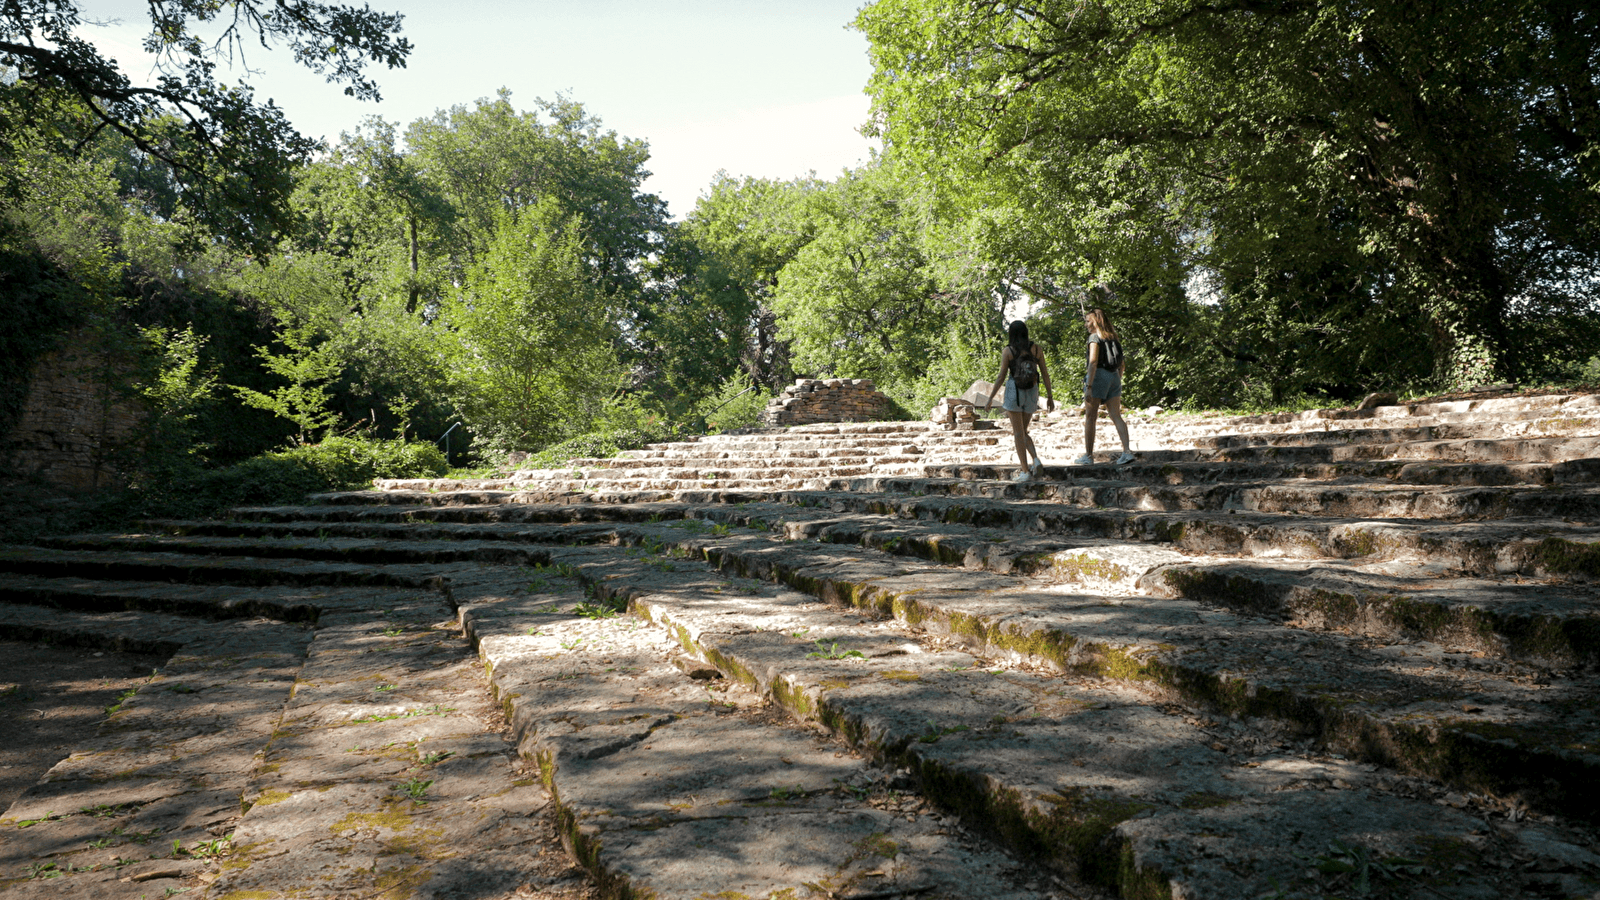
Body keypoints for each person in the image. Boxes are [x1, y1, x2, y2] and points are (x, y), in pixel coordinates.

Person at [983, 320, 1054, 481]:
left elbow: (1001, 376)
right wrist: (1049, 397)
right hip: (1032, 391)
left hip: (1014, 390)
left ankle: (1025, 471)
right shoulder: (1036, 349)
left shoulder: (1008, 351)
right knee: (1024, 431)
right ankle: (1035, 460)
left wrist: (990, 398)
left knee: (1017, 433)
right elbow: (1045, 373)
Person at [1075, 307, 1135, 465]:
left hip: (1098, 376)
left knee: (1090, 417)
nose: (1086, 325)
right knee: (1116, 415)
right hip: (1114, 376)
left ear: (1094, 321)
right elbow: (1122, 364)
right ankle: (1127, 451)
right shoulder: (1113, 338)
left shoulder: (1094, 337)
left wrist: (1089, 386)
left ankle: (1088, 456)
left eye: (1087, 321)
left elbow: (1093, 362)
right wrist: (1116, 379)